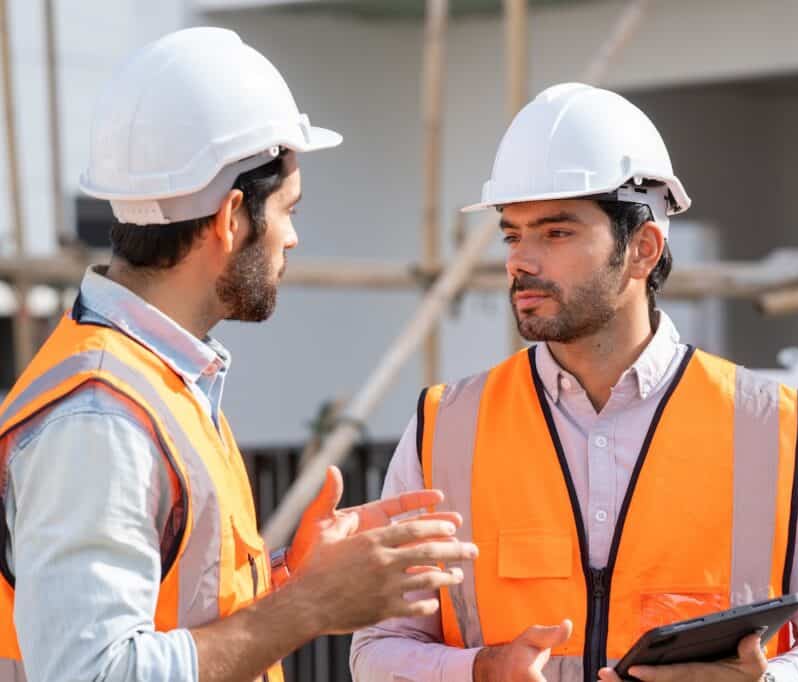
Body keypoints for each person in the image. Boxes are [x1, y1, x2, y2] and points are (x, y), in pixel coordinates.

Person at [350, 83, 798, 682]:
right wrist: (478, 670)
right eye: (512, 233)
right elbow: (378, 650)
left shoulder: (771, 426)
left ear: (642, 248)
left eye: (555, 233)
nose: (520, 260)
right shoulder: (444, 427)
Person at [0, 27, 476, 682]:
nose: (294, 236)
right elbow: (94, 672)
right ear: (230, 218)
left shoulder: (156, 382)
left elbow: (181, 616)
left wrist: (291, 576)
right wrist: (309, 606)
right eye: (288, 209)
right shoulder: (101, 417)